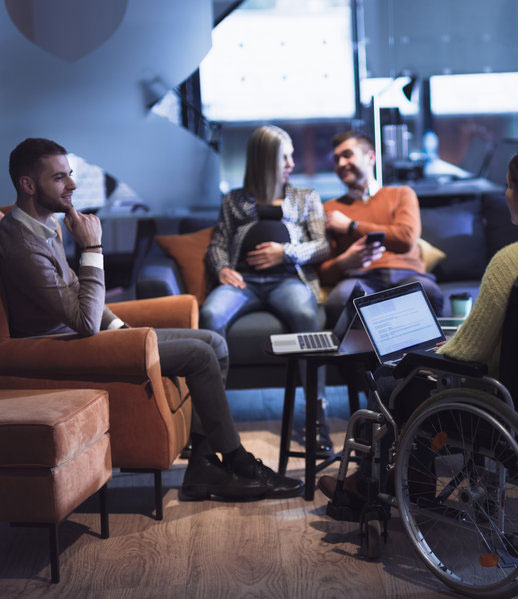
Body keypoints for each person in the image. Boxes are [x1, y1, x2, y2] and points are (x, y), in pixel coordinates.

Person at [0, 138, 303, 501]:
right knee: (201, 355)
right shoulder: (19, 245)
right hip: (60, 349)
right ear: (28, 185)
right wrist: (93, 248)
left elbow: (79, 295)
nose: (72, 186)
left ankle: (204, 465)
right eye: (59, 178)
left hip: (83, 336)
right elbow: (82, 319)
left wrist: (124, 332)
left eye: (71, 175)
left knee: (213, 340)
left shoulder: (45, 226)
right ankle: (236, 460)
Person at [318, 145, 518, 504]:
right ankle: (403, 480)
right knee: (414, 373)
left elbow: (470, 352)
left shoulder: (512, 261)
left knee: (394, 380)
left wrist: (433, 353)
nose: (506, 194)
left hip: (500, 398)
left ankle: (384, 486)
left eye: (509, 187)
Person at [202, 125, 333, 452]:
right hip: (243, 283)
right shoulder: (233, 200)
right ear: (263, 160)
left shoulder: (306, 197)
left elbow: (322, 246)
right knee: (210, 315)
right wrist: (222, 268)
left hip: (287, 280)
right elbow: (216, 244)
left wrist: (285, 251)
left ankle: (318, 417)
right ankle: (208, 423)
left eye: (291, 155)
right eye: (283, 156)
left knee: (306, 315)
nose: (291, 162)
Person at [319, 131, 443, 323]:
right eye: (336, 159)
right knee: (339, 300)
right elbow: (323, 272)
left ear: (370, 157)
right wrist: (344, 262)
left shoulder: (401, 194)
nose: (341, 164)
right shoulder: (330, 210)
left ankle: (419, 354)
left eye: (347, 155)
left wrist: (351, 226)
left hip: (407, 274)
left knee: (427, 292)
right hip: (360, 277)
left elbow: (406, 239)